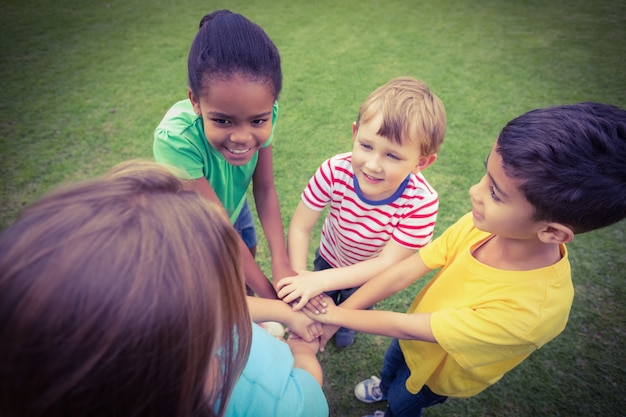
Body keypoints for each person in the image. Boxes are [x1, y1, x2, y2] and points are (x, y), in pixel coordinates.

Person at [303, 102, 626, 417]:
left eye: (496, 193)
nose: (475, 191)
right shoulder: (479, 225)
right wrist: (338, 315)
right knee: (393, 367)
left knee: (404, 403)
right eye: (487, 175)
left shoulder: (531, 312)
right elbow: (406, 272)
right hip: (408, 339)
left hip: (437, 376)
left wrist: (333, 316)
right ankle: (384, 386)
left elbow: (409, 326)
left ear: (552, 232)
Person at [0, 160, 328, 417]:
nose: (228, 305)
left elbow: (223, 306)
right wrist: (302, 353)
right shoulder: (275, 405)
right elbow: (308, 394)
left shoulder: (166, 325)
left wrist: (284, 312)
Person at [277, 77, 446, 349]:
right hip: (330, 256)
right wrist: (302, 277)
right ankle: (327, 311)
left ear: (422, 162)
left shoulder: (422, 202)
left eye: (393, 156)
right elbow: (300, 227)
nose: (373, 165)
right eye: (366, 146)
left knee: (353, 307)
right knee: (320, 299)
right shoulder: (334, 170)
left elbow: (386, 264)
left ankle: (344, 323)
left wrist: (330, 304)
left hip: (370, 276)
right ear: (355, 133)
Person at [154, 9, 291, 299]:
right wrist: (273, 297)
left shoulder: (267, 112)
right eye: (222, 120)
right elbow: (218, 229)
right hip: (196, 225)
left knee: (247, 257)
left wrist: (282, 265)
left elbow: (265, 188)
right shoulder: (176, 140)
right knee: (218, 289)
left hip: (234, 206)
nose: (242, 137)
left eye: (257, 121)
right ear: (195, 101)